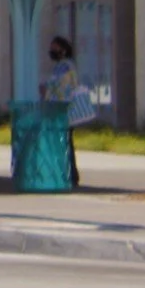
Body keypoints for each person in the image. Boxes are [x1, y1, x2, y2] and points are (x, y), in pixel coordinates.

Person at [42, 36, 89, 188]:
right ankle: (70, 174)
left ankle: (67, 175)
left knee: (63, 144)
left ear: (62, 50)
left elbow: (59, 88)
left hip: (62, 111)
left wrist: (46, 92)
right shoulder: (69, 66)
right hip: (65, 110)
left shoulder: (64, 67)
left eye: (54, 48)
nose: (52, 51)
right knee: (67, 143)